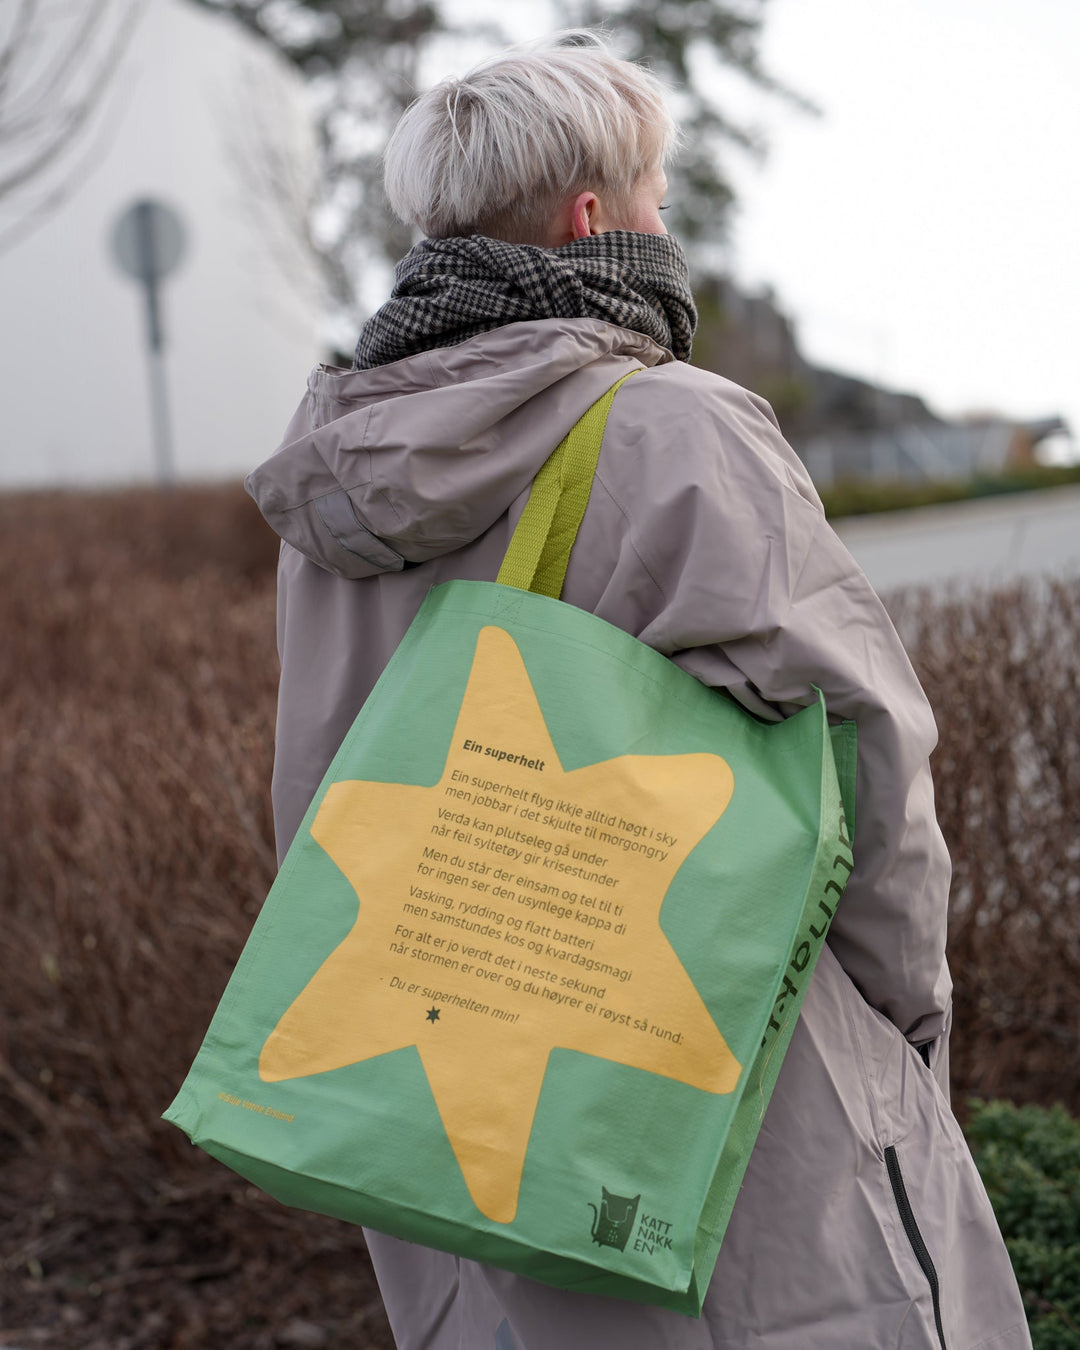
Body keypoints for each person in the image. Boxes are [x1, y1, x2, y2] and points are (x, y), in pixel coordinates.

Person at [245, 34, 1030, 1350]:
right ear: (594, 218)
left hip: (460, 1099)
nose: (667, 226)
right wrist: (904, 1023)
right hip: (732, 1093)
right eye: (659, 194)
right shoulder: (680, 429)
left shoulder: (331, 490)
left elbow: (314, 795)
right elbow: (868, 761)